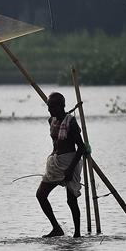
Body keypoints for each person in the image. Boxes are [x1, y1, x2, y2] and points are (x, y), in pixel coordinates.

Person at [36, 92, 86, 238]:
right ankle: (56, 228)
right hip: (55, 164)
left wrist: (70, 169)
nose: (50, 110)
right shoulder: (51, 120)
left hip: (70, 162)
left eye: (52, 106)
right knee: (41, 195)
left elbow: (81, 147)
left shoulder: (71, 122)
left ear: (61, 106)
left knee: (71, 200)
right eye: (48, 106)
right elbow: (55, 142)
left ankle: (77, 234)